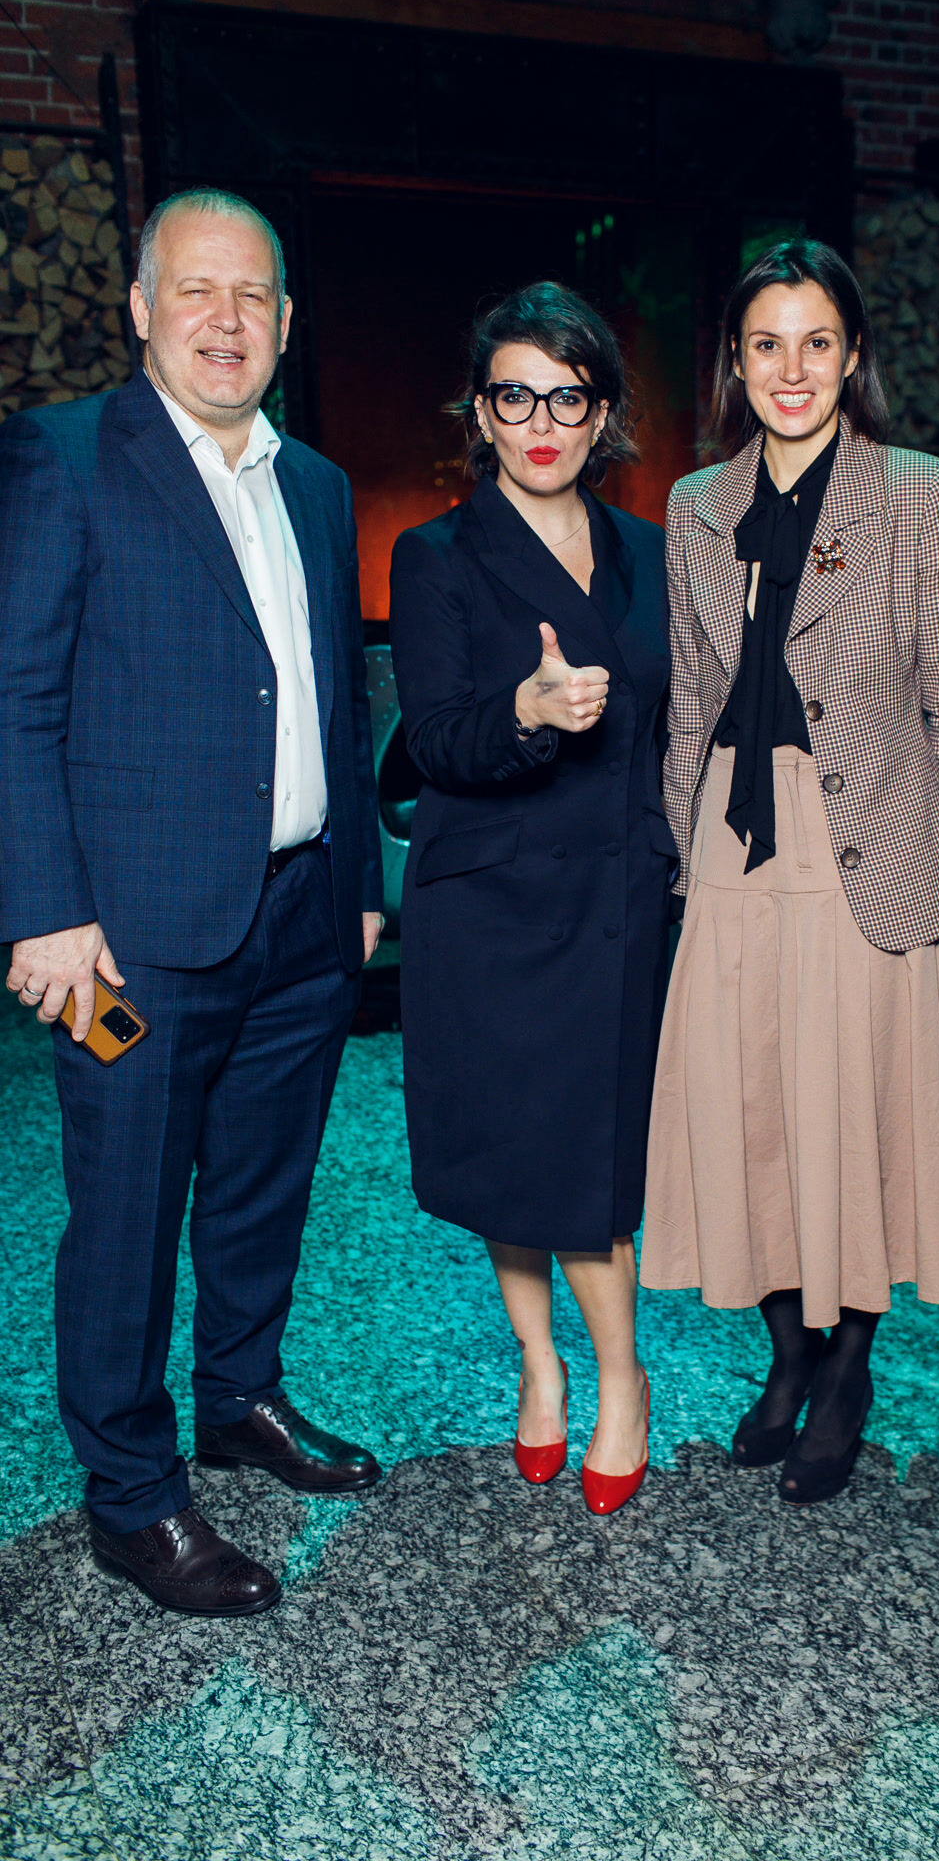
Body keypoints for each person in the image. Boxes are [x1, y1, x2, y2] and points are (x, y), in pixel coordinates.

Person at [0, 190, 385, 1618]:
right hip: (128, 944)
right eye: (197, 291)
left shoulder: (319, 486)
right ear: (142, 309)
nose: (227, 320)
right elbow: (15, 697)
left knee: (265, 1188)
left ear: (285, 321)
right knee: (124, 1214)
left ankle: (240, 1398)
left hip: (298, 922)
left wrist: (354, 887)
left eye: (254, 296)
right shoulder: (63, 458)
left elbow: (333, 700)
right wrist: (43, 913)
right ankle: (131, 1495)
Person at [641, 240, 939, 1503]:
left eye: (816, 343)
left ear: (851, 357)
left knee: (856, 1119)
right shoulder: (693, 506)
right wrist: (686, 866)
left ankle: (847, 1371)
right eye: (765, 344)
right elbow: (691, 703)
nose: (790, 370)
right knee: (749, 1114)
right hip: (734, 848)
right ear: (734, 364)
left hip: (873, 850)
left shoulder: (916, 495)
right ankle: (784, 1354)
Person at [389, 282, 671, 1516]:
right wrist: (524, 708)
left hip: (619, 903)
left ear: (600, 412)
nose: (541, 423)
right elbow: (433, 738)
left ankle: (622, 1380)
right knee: (510, 1158)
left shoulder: (652, 552)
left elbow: (682, 726)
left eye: (566, 397)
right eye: (515, 396)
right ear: (481, 413)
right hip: (489, 911)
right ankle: (541, 1366)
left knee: (592, 1161)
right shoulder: (435, 555)